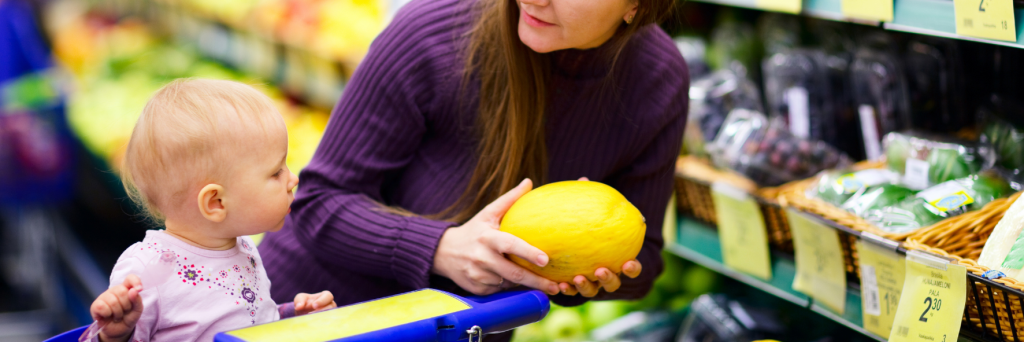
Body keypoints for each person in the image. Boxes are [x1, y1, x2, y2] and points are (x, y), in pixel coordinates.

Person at [260, 0, 689, 336]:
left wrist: (576, 276)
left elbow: (644, 260)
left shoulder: (658, 80)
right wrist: (441, 249)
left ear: (637, 5)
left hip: (463, 333)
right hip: (317, 314)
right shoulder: (434, 31)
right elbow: (319, 201)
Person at [86, 79, 337, 342]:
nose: (293, 179)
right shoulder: (146, 271)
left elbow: (253, 318)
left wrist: (293, 316)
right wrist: (115, 334)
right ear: (215, 202)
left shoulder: (242, 246)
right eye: (276, 172)